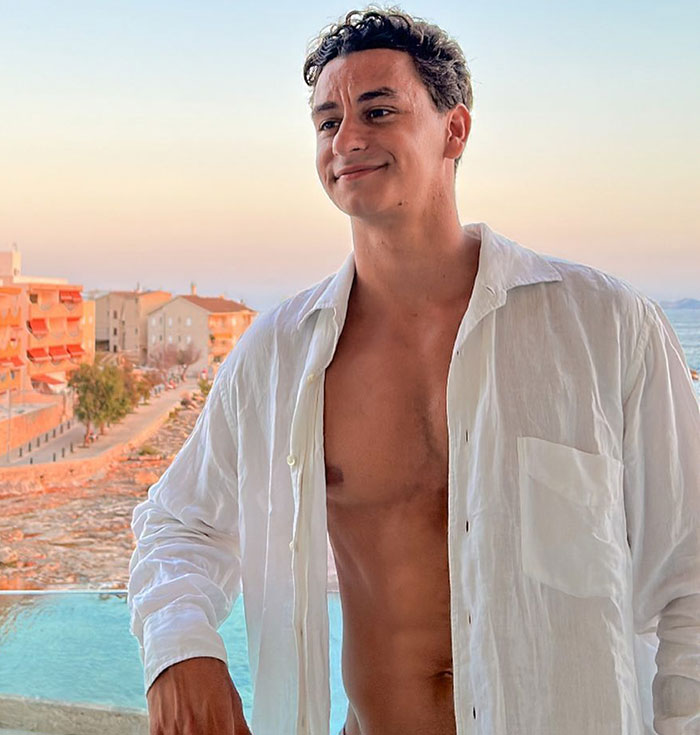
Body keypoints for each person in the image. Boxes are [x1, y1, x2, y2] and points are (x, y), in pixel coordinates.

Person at [128, 7, 700, 735]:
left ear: (453, 129)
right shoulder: (279, 355)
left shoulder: (604, 326)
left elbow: (690, 572)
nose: (346, 139)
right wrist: (182, 652)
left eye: (378, 109)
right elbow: (178, 524)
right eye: (326, 120)